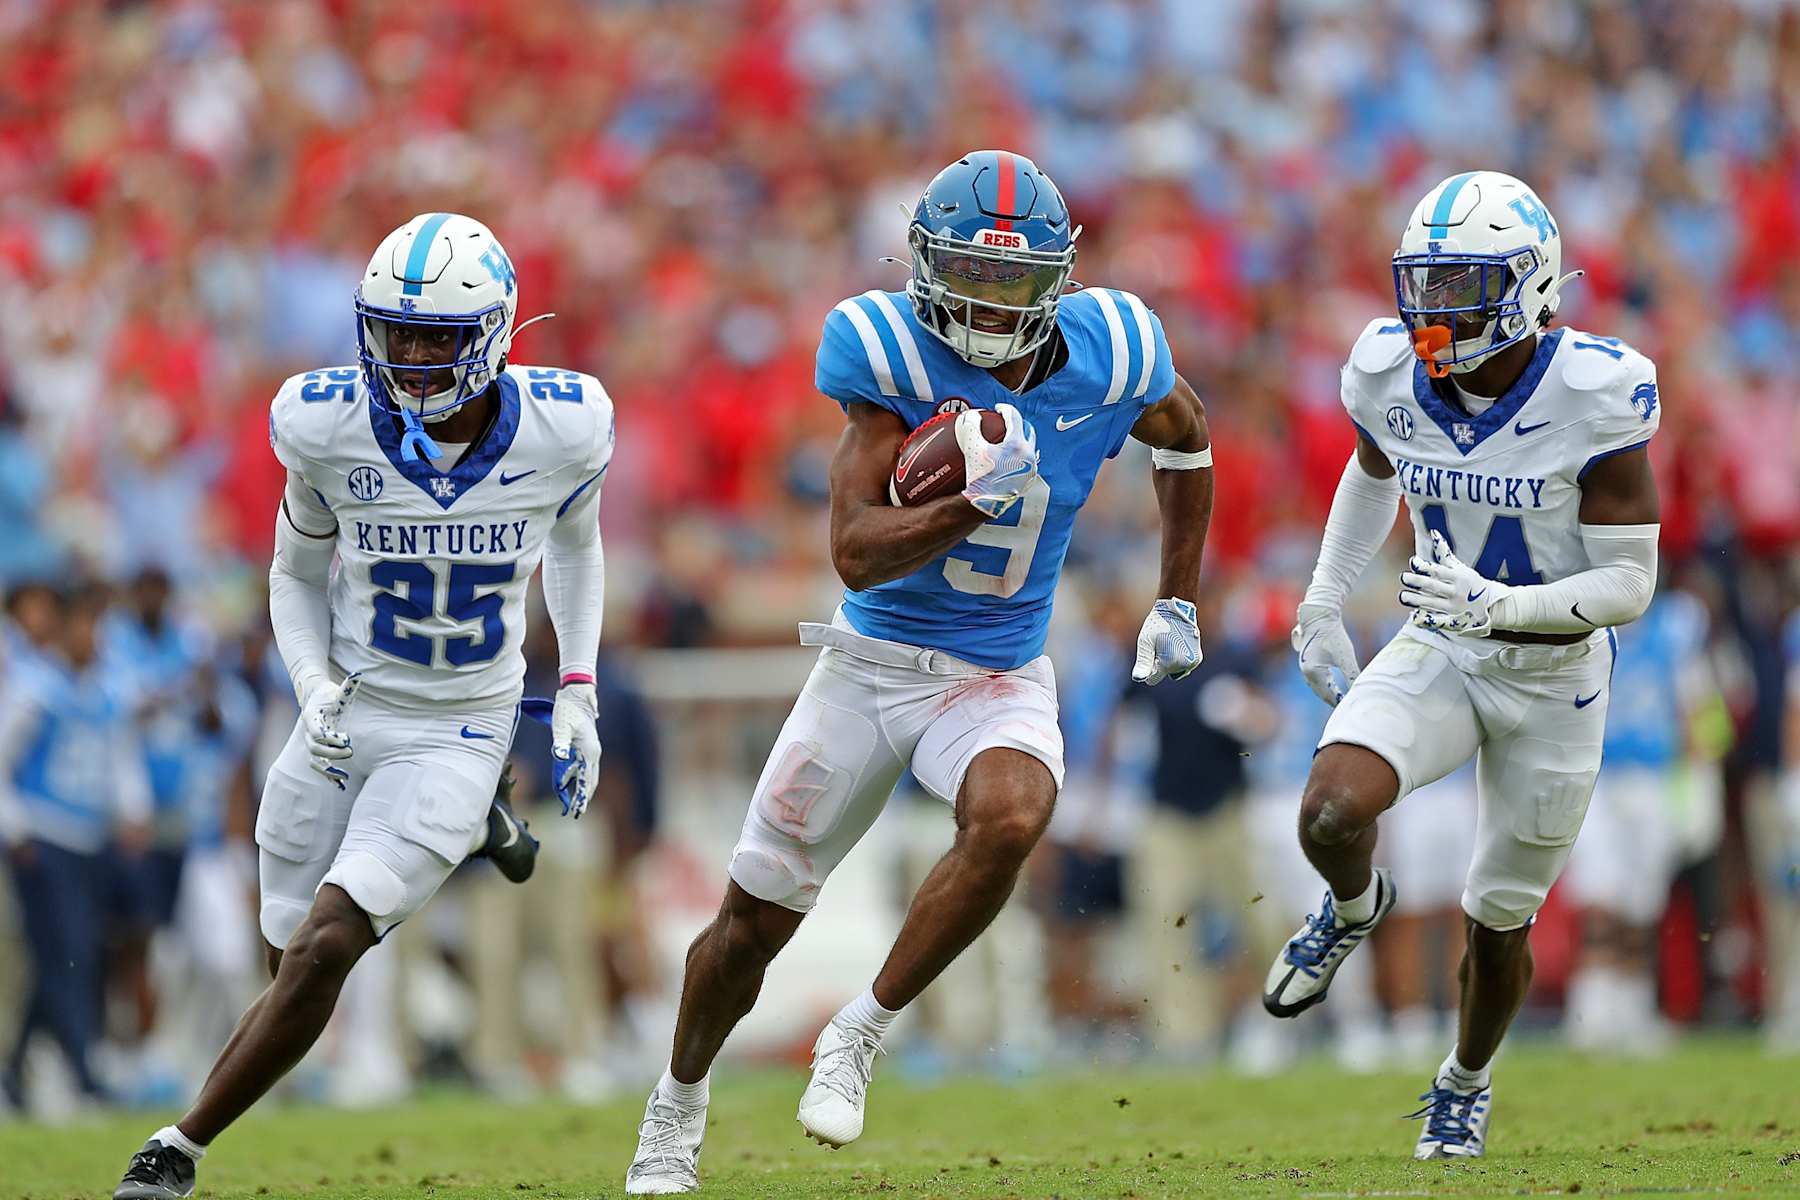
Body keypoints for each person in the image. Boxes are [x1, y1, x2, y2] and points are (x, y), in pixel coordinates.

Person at [625, 150, 1214, 1195]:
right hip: (870, 664)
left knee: (1011, 817)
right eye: (971, 278)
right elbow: (854, 550)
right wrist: (964, 506)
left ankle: (861, 1030)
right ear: (926, 271)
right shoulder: (884, 351)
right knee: (748, 927)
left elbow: (1188, 438)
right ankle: (675, 1105)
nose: (989, 304)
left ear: (1059, 278)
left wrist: (1176, 595)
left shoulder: (1117, 348)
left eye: (1013, 280)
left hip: (994, 672)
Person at [111, 212, 612, 1200]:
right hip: (346, 708)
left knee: (332, 943)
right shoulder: (323, 421)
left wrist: (579, 689)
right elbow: (291, 575)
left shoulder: (566, 425)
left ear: (497, 335)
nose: (415, 357)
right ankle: (478, 826)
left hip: (462, 720)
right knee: (287, 957)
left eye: (439, 338)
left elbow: (577, 546)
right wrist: (310, 684)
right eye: (398, 333)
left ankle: (178, 1150)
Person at [1265, 172, 1661, 1159]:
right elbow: (1371, 473)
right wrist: (1323, 596)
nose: (1433, 312)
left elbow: (1628, 583)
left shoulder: (1597, 391)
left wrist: (1509, 605)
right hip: (1443, 642)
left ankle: (1464, 1080)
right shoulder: (1390, 372)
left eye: (1461, 288)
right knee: (1329, 808)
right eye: (1424, 285)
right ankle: (1356, 907)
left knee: (1497, 919)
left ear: (1530, 287)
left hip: (1557, 676)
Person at [0, 584, 153, 1110]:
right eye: (87, 625)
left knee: (66, 955)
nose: (96, 638)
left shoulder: (108, 688)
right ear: (64, 629)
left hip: (89, 836)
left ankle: (16, 1069)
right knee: (69, 950)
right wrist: (14, 826)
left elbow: (119, 757)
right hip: (43, 835)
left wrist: (133, 811)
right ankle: (81, 1069)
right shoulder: (34, 686)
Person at [1563, 587, 1724, 1053]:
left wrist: (1698, 775)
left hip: (1652, 778)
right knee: (1599, 894)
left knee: (1640, 901)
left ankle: (1631, 1005)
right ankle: (1592, 1002)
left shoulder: (1675, 628)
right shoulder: (1587, 625)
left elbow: (1695, 705)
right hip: (1598, 778)